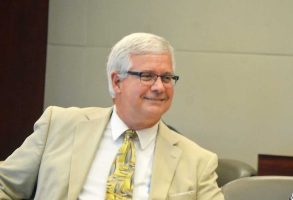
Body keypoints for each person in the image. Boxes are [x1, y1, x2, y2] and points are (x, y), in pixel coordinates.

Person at [0, 33, 224, 200]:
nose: (159, 87)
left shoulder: (198, 161)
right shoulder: (58, 125)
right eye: (147, 76)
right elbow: (5, 185)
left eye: (166, 78)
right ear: (117, 82)